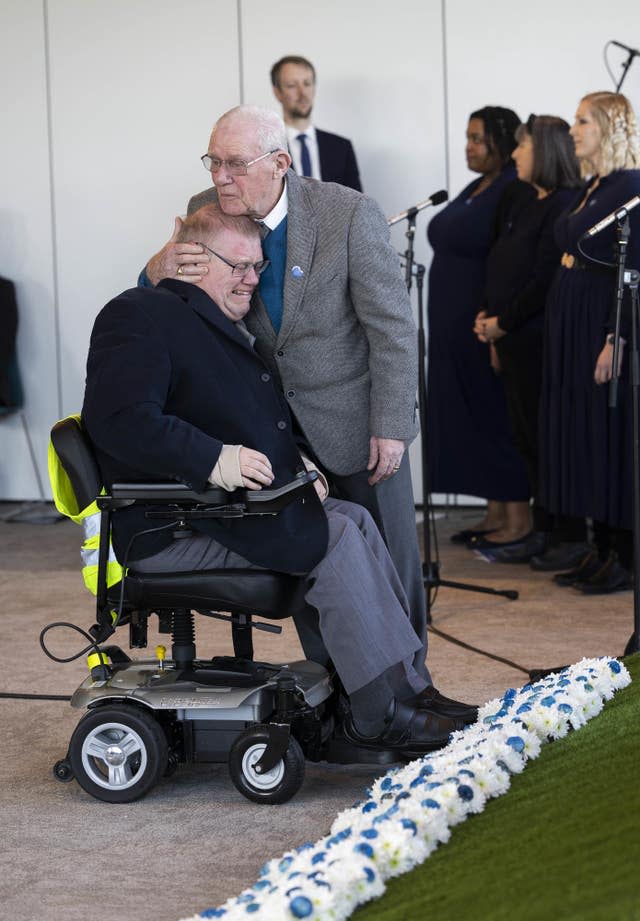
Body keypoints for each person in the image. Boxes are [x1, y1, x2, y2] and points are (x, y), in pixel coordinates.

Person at [83, 207, 475, 756]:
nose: (251, 278)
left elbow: (240, 419)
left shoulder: (216, 325)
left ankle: (411, 690)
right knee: (332, 538)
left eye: (257, 267)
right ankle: (377, 716)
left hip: (218, 513)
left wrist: (296, 473)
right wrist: (215, 458)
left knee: (352, 518)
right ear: (192, 260)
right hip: (169, 528)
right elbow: (120, 421)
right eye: (238, 266)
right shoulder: (137, 313)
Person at [140, 104, 431, 688]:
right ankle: (339, 694)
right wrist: (159, 264)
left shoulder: (347, 213)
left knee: (391, 570)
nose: (220, 176)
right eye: (213, 161)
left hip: (358, 429)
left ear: (278, 163)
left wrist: (393, 425)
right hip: (271, 435)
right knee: (307, 564)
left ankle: (412, 690)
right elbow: (154, 296)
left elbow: (393, 330)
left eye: (233, 164)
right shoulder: (205, 210)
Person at [539, 91, 640, 593]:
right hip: (571, 318)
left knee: (609, 433)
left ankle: (623, 552)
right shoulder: (594, 184)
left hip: (601, 319)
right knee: (583, 430)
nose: (573, 131)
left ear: (610, 127)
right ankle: (598, 546)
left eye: (582, 121)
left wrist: (616, 337)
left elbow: (634, 265)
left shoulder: (631, 186)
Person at [472, 115, 584, 564]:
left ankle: (566, 534)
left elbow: (541, 279)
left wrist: (503, 322)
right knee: (527, 440)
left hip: (538, 340)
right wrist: (490, 319)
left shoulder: (564, 204)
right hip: (513, 339)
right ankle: (545, 529)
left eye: (523, 147)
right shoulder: (526, 199)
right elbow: (502, 262)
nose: (515, 154)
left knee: (551, 441)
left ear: (546, 153)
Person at [426, 106, 531, 548]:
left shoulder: (512, 188)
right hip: (451, 329)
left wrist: (494, 322)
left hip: (481, 325)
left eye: (477, 139)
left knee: (495, 416)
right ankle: (493, 513)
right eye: (467, 137)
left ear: (502, 142)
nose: (468, 147)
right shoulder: (477, 187)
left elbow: (512, 261)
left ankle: (519, 520)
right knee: (469, 417)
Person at [270, 55, 362, 191]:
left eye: (307, 84)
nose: (302, 93)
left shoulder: (341, 148)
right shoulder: (268, 149)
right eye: (292, 86)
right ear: (277, 92)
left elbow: (358, 204)